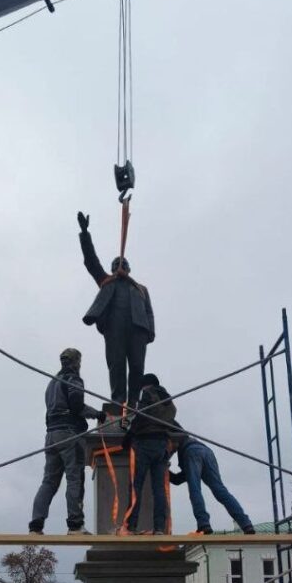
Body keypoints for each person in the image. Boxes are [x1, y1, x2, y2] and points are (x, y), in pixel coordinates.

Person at [77, 211, 155, 410]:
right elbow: (90, 261)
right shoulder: (107, 282)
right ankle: (118, 400)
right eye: (115, 264)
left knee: (137, 366)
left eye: (123, 264)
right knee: (116, 365)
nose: (119, 265)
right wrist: (85, 233)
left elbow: (149, 312)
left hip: (138, 329)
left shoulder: (140, 288)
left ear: (129, 268)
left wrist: (151, 331)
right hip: (114, 327)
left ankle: (134, 402)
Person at [29, 348, 105, 536]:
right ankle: (75, 525)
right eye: (79, 361)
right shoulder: (73, 379)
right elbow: (77, 406)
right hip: (69, 434)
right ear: (76, 361)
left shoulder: (52, 383)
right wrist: (98, 414)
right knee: (75, 477)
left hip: (51, 436)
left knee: (49, 481)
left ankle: (35, 526)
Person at [168, 431, 255, 535]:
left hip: (191, 451)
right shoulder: (185, 442)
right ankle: (246, 524)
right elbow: (178, 479)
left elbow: (174, 444)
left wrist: (162, 462)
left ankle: (204, 524)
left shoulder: (177, 440)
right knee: (220, 490)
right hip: (208, 452)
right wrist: (166, 471)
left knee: (195, 489)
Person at [121, 374, 175, 535]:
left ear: (146, 385)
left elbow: (141, 416)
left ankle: (131, 525)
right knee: (158, 489)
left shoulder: (148, 393)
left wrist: (129, 435)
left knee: (136, 486)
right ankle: (159, 527)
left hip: (144, 444)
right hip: (162, 445)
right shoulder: (168, 400)